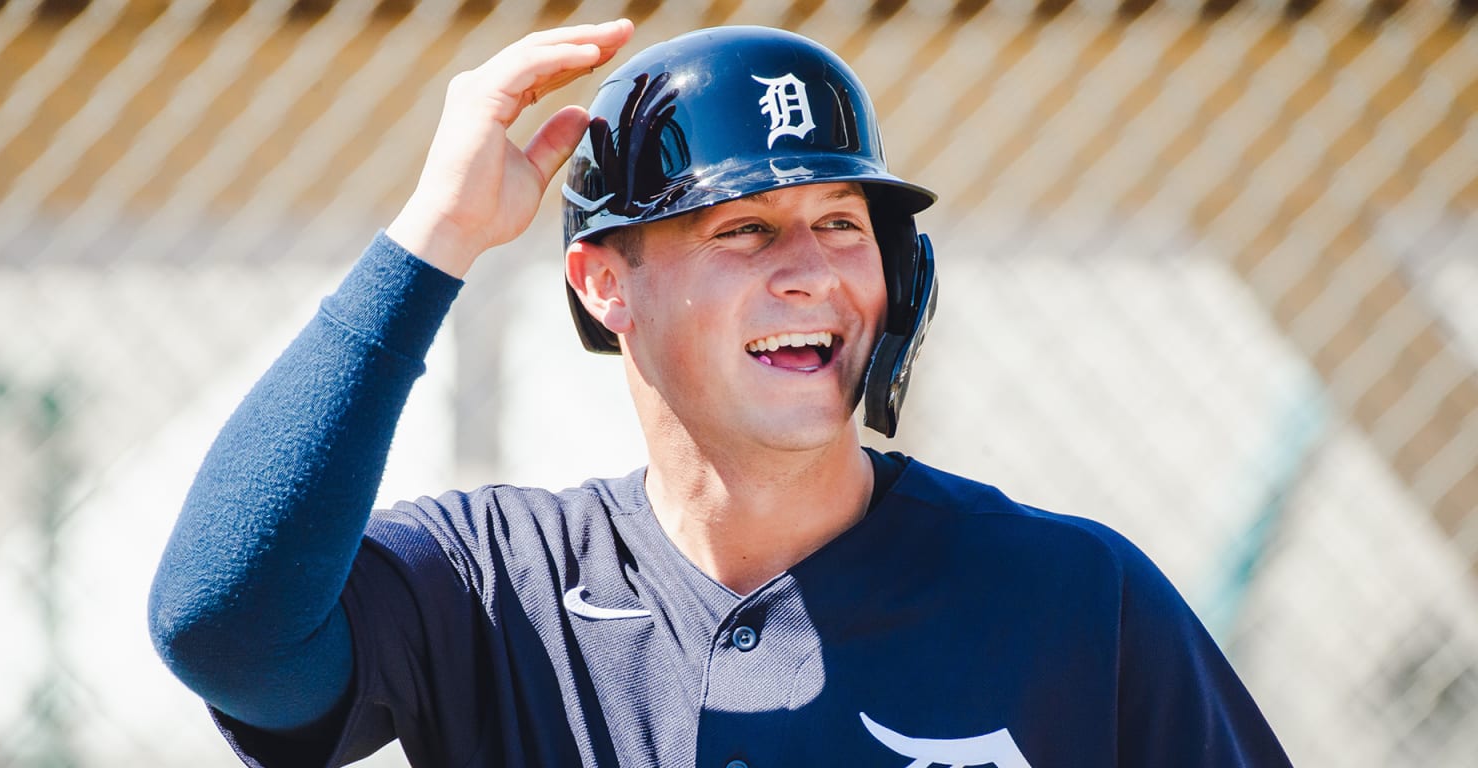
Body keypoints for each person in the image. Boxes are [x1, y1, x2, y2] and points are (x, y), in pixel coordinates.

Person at [148, 19, 1294, 768]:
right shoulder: (500, 593)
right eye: (743, 230)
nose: (809, 270)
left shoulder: (1074, 599)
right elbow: (222, 627)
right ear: (606, 287)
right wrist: (431, 241)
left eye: (842, 225)